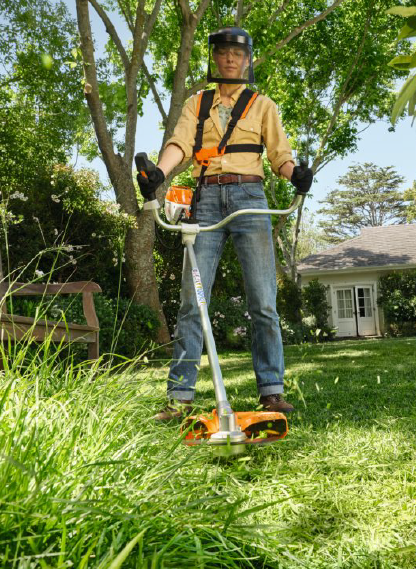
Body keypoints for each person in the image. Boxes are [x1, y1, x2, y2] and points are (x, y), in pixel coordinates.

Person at [137, 27, 313, 420]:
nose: (230, 58)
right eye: (223, 52)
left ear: (248, 59)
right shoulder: (197, 104)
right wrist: (158, 174)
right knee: (191, 300)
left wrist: (295, 174)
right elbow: (179, 145)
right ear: (214, 58)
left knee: (263, 300)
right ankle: (180, 398)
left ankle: (271, 392)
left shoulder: (263, 105)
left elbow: (279, 157)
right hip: (207, 198)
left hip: (250, 198)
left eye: (237, 52)